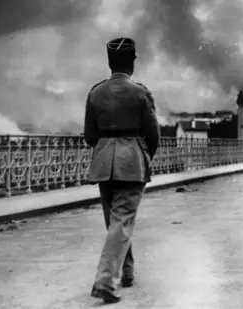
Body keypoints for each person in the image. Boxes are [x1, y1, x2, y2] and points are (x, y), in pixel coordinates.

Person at [84, 37, 160, 303]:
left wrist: (107, 147)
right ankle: (106, 281)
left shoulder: (95, 92)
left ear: (109, 62)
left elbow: (89, 134)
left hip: (103, 161)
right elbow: (154, 134)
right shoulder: (140, 93)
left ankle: (126, 271)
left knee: (115, 221)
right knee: (122, 222)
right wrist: (141, 155)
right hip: (132, 161)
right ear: (133, 63)